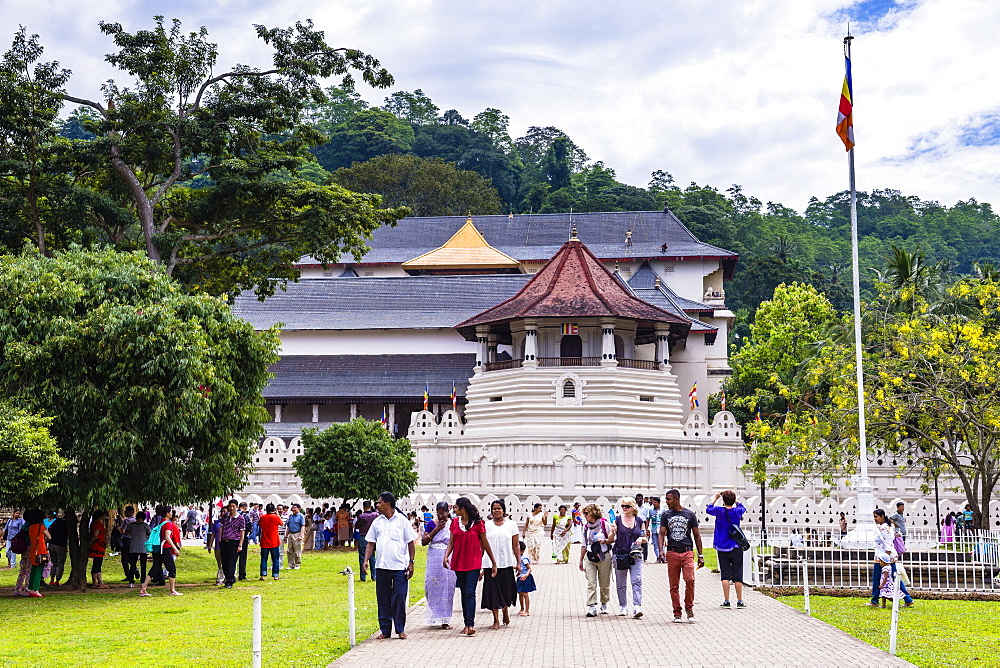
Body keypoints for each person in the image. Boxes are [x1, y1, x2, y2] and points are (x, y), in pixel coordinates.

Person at [363, 492, 418, 640]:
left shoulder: (402, 521)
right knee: (383, 598)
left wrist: (411, 563)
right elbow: (370, 543)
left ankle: (400, 629)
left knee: (399, 597)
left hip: (400, 566)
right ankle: (385, 630)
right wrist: (366, 560)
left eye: (379, 502)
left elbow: (411, 542)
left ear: (387, 504)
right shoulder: (377, 522)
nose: (377, 505)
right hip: (382, 566)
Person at [445, 496, 498, 637]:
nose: (454, 509)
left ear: (463, 509)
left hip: (473, 562)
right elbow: (451, 542)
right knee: (463, 592)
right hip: (458, 562)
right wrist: (446, 556)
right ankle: (466, 624)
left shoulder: (478, 523)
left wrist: (493, 562)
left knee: (470, 591)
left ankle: (471, 624)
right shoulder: (455, 523)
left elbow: (485, 543)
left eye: (456, 507)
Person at [659, 488, 703, 623]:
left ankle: (689, 608)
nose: (666, 502)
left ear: (676, 499)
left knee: (690, 580)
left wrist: (700, 555)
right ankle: (677, 612)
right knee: (674, 585)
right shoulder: (666, 515)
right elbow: (661, 533)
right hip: (672, 552)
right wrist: (661, 550)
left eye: (668, 499)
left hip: (687, 551)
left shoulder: (689, 514)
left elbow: (696, 535)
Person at [482, 499, 520, 629]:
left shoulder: (512, 525)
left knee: (506, 591)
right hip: (490, 565)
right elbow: (482, 545)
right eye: (494, 508)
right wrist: (479, 565)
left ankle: (505, 611)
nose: (496, 511)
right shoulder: (486, 525)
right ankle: (495, 620)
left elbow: (516, 545)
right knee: (493, 592)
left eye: (499, 508)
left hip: (506, 563)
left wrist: (519, 562)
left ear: (504, 510)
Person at [706, 490, 747, 609]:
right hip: (736, 546)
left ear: (723, 501)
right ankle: (740, 601)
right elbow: (742, 507)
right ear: (733, 500)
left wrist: (715, 498)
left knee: (725, 575)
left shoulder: (719, 511)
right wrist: (735, 501)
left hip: (722, 546)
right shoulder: (737, 511)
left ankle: (727, 601)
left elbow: (708, 509)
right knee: (737, 575)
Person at [869, 508, 914, 608]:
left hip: (884, 558)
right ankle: (907, 598)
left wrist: (884, 560)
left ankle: (875, 600)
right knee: (894, 578)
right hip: (886, 557)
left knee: (877, 578)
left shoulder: (884, 528)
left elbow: (888, 544)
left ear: (882, 517)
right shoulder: (888, 526)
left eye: (876, 517)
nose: (875, 519)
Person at [609, 496, 645, 618]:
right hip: (620, 553)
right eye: (623, 506)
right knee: (621, 582)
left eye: (627, 506)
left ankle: (636, 606)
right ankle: (623, 606)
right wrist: (613, 531)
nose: (624, 508)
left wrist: (641, 538)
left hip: (635, 554)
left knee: (637, 580)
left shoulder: (639, 521)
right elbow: (611, 538)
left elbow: (644, 536)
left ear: (633, 507)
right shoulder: (617, 520)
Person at [422, 501, 456, 629]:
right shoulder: (431, 524)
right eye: (439, 514)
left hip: (448, 558)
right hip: (434, 557)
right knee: (431, 586)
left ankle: (445, 619)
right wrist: (437, 529)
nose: (441, 517)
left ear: (448, 512)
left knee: (447, 588)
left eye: (443, 514)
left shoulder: (453, 524)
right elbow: (424, 541)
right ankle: (435, 615)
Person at [139, 505, 183, 596]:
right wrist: (174, 548)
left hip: (158, 548)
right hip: (164, 549)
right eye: (171, 512)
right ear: (167, 513)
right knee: (171, 568)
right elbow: (167, 537)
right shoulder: (168, 523)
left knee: (155, 568)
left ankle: (143, 589)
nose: (172, 514)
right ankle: (172, 590)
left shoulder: (161, 522)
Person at [579, 503, 612, 617]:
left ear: (593, 513)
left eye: (587, 513)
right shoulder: (586, 527)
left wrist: (604, 541)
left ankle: (604, 602)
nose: (585, 516)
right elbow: (584, 544)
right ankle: (592, 606)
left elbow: (612, 539)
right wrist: (581, 560)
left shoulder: (604, 524)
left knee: (604, 583)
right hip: (590, 556)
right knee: (591, 583)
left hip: (603, 555)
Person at [219, 499, 246, 588]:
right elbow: (221, 528)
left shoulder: (240, 518)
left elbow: (242, 532)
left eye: (233, 506)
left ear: (237, 507)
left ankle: (230, 580)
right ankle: (228, 578)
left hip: (234, 541)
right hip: (224, 541)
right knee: (224, 562)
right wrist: (220, 540)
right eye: (230, 506)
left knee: (231, 562)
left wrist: (240, 544)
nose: (231, 508)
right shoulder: (225, 516)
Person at [24, 509, 49, 598]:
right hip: (41, 550)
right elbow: (49, 536)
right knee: (39, 570)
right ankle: (36, 589)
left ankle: (30, 588)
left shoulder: (30, 527)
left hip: (33, 550)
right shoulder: (41, 526)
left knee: (33, 570)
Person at [258, 502, 284, 580]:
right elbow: (282, 523)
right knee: (275, 559)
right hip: (274, 541)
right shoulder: (275, 517)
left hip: (264, 541)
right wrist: (277, 514)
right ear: (274, 509)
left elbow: (260, 525)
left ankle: (263, 575)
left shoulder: (262, 517)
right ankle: (275, 575)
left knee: (263, 558)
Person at [354, 501, 379, 581]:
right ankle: (374, 576)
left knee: (362, 557)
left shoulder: (362, 516)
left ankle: (363, 577)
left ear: (363, 507)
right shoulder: (375, 515)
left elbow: (357, 526)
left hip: (363, 537)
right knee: (372, 557)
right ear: (371, 506)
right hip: (373, 537)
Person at [126, 511, 151, 587]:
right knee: (143, 565)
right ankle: (143, 581)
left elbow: (127, 532)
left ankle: (131, 581)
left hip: (133, 546)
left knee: (133, 565)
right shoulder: (145, 525)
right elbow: (149, 533)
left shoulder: (131, 525)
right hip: (143, 547)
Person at [46, 511, 68, 586]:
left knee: (53, 562)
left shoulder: (55, 522)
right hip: (60, 545)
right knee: (60, 563)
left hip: (51, 544)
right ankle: (57, 581)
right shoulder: (65, 525)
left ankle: (52, 580)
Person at [89, 509, 109, 588]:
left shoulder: (95, 523)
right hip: (98, 545)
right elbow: (95, 534)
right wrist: (92, 542)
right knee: (97, 563)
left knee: (98, 563)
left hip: (100, 545)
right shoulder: (97, 524)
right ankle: (95, 582)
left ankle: (100, 581)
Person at [516, 539, 535, 616]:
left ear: (522, 551)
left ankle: (527, 610)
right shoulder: (516, 559)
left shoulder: (524, 559)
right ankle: (522, 608)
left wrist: (526, 575)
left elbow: (529, 568)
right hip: (520, 577)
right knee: (520, 593)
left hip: (525, 578)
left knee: (525, 594)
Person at [285, 503, 304, 570]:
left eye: (294, 508)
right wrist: (286, 536)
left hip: (297, 533)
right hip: (291, 534)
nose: (293, 509)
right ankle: (291, 565)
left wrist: (301, 535)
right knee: (290, 550)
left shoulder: (301, 516)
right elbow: (288, 527)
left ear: (298, 508)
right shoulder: (291, 516)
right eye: (292, 508)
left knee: (297, 550)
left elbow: (302, 526)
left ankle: (297, 564)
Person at [648, 497, 662, 562]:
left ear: (659, 503)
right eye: (653, 502)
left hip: (661, 529)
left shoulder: (663, 511)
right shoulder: (651, 510)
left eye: (655, 502)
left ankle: (662, 556)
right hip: (654, 529)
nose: (654, 504)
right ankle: (658, 557)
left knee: (661, 544)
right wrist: (646, 529)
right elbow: (648, 519)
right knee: (655, 544)